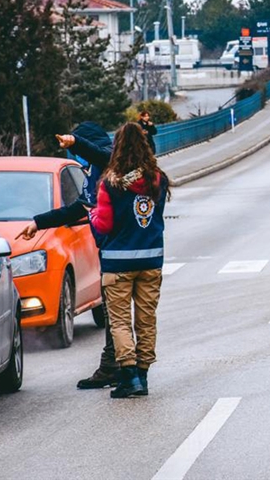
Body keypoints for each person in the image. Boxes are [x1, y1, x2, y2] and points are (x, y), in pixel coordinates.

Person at [15, 122, 120, 390]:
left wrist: (76, 142)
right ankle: (116, 367)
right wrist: (39, 222)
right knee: (114, 315)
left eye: (79, 151)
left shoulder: (112, 163)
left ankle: (126, 370)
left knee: (118, 315)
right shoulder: (93, 171)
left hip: (121, 252)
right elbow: (78, 209)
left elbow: (102, 155)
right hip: (108, 252)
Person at [89, 122, 169, 398]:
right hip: (151, 261)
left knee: (120, 321)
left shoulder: (110, 184)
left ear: (117, 147)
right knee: (146, 320)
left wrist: (92, 217)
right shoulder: (158, 179)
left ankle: (129, 377)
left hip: (117, 263)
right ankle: (144, 377)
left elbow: (105, 225)